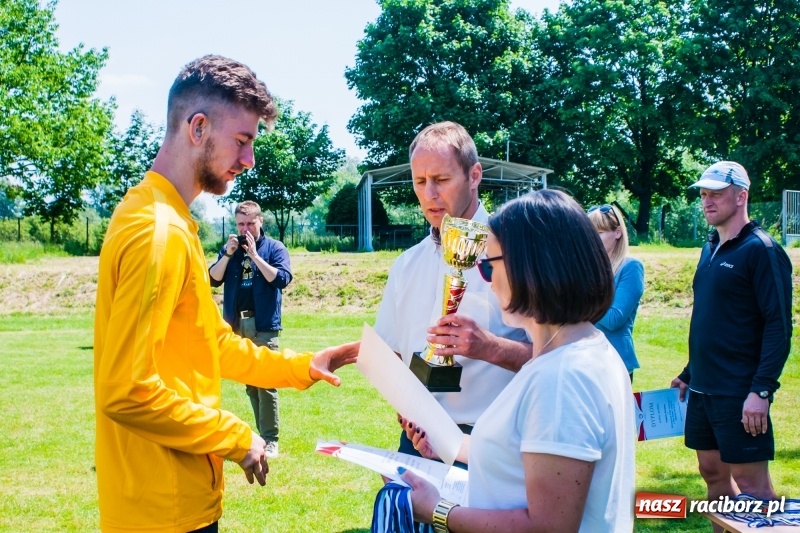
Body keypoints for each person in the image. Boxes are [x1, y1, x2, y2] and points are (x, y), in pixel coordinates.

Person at [93, 55, 358, 533]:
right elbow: (125, 391)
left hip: (168, 501)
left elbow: (210, 344)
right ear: (197, 128)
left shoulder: (165, 219)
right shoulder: (159, 231)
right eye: (242, 140)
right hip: (162, 511)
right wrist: (235, 436)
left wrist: (301, 367)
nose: (249, 159)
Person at [397, 190, 636, 532]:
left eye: (488, 264)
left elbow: (546, 527)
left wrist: (437, 510)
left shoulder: (562, 377)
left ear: (532, 267)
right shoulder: (583, 350)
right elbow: (520, 455)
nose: (487, 280)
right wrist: (447, 444)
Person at [373, 121, 531, 460]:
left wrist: (491, 348)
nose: (429, 194)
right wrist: (407, 410)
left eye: (441, 180)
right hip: (418, 442)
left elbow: (555, 357)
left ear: (474, 176)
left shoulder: (519, 254)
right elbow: (394, 353)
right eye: (419, 181)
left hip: (494, 444)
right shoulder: (405, 264)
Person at [671, 161, 793, 532]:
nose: (706, 201)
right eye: (703, 194)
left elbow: (779, 325)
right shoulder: (710, 247)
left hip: (741, 392)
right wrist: (689, 372)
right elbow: (715, 319)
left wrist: (761, 389)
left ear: (741, 196)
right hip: (704, 389)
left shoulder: (762, 250)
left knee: (754, 488)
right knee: (712, 476)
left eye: (716, 194)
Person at [209, 200, 290, 458]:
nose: (244, 229)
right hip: (236, 324)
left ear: (260, 222)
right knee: (250, 382)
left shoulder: (274, 248)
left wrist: (255, 256)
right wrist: (228, 254)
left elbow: (281, 279)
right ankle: (262, 434)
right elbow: (212, 278)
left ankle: (271, 438)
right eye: (240, 224)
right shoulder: (230, 250)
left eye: (249, 224)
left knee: (266, 380)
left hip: (263, 323)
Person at [587, 204, 645, 381]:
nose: (592, 240)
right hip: (585, 361)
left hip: (615, 363)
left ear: (618, 232)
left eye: (599, 233)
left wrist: (581, 297)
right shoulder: (589, 270)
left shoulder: (630, 267)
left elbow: (614, 319)